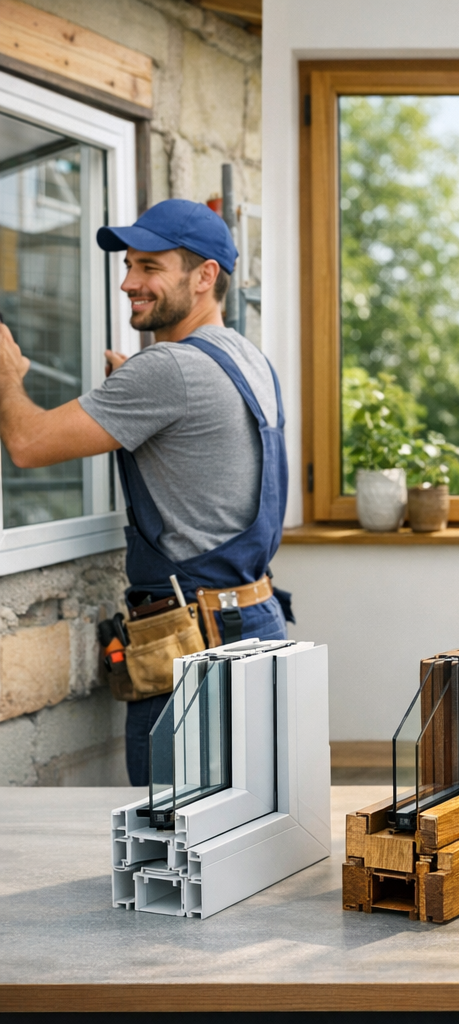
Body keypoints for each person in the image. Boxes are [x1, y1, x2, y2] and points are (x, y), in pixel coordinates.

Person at [0, 198, 292, 785]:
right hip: (254, 617)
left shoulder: (167, 370)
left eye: (150, 267)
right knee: (247, 819)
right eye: (128, 265)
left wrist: (7, 377)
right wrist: (129, 403)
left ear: (205, 275)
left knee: (173, 828)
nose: (128, 282)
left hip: (194, 646)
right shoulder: (246, 358)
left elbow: (28, 444)